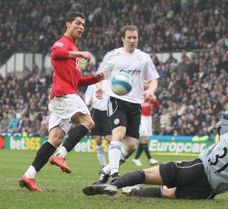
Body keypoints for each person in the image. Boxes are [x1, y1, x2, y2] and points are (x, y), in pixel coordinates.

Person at [83, 117, 228, 200]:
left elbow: (222, 122)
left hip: (196, 166)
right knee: (166, 193)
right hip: (205, 189)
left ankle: (115, 185)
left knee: (148, 174)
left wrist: (218, 138)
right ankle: (133, 192)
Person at [19, 12, 105, 192]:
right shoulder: (63, 44)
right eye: (78, 23)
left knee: (55, 139)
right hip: (63, 95)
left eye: (83, 24)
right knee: (88, 122)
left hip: (64, 96)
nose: (81, 27)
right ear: (68, 24)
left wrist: (96, 78)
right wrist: (79, 53)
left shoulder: (73, 52)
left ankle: (29, 176)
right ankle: (61, 156)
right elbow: (55, 52)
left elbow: (77, 81)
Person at [92, 25, 159, 184]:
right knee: (119, 134)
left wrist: (150, 91)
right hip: (116, 100)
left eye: (134, 37)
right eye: (129, 37)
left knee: (131, 145)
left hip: (135, 104)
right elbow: (100, 76)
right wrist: (100, 88)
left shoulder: (143, 58)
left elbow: (154, 80)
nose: (132, 40)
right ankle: (115, 173)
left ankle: (106, 170)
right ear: (123, 38)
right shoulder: (113, 55)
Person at [84, 80, 111, 170]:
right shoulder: (92, 85)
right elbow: (87, 99)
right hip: (95, 112)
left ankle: (113, 163)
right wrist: (90, 100)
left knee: (109, 138)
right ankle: (103, 165)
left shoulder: (109, 82)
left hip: (107, 112)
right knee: (98, 139)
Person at [132, 94, 159, 166]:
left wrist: (154, 100)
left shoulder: (150, 94)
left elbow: (157, 107)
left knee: (145, 140)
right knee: (144, 138)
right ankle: (150, 159)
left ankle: (136, 158)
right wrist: (145, 97)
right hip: (142, 118)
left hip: (148, 118)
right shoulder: (139, 93)